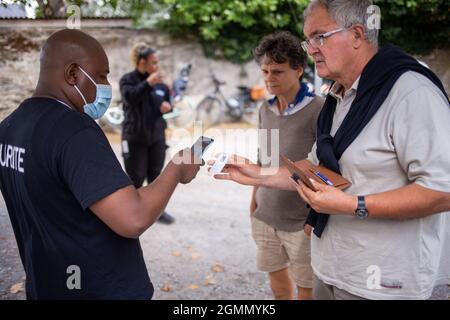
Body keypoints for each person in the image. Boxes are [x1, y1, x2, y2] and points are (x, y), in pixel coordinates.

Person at [213, 0, 450, 300]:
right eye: (308, 39)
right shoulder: (339, 98)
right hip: (332, 270)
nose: (310, 48)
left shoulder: (411, 93)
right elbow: (314, 169)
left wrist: (352, 204)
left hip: (383, 283)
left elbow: (442, 190)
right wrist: (258, 174)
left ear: (356, 35)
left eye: (319, 37)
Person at [0, 29, 201, 299]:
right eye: (101, 75)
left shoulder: (9, 128)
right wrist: (176, 168)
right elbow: (134, 217)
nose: (106, 85)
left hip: (47, 286)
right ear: (73, 74)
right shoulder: (73, 130)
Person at [249, 31, 324, 300]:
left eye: (278, 71)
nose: (269, 78)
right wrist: (254, 199)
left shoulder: (319, 109)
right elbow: (263, 161)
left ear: (299, 70)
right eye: (266, 71)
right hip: (265, 216)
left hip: (301, 222)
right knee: (279, 288)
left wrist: (316, 217)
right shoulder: (265, 110)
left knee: (307, 288)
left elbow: (325, 169)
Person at [119, 43, 175, 224]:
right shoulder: (128, 80)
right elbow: (130, 98)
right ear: (142, 63)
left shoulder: (162, 86)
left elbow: (167, 104)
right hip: (135, 137)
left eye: (157, 63)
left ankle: (157, 212)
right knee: (135, 177)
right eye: (153, 63)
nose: (156, 67)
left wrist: (168, 107)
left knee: (156, 176)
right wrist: (148, 83)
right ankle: (132, 213)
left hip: (157, 137)